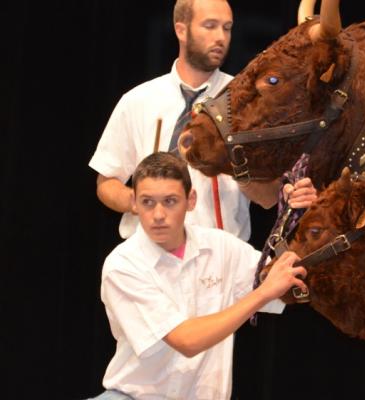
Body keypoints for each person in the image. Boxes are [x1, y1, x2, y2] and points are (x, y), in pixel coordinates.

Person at [89, 152, 308, 400]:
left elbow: (293, 282)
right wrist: (263, 293)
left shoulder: (221, 247)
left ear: (190, 200)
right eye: (148, 202)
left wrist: (306, 212)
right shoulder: (123, 264)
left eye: (170, 201)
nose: (158, 214)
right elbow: (187, 340)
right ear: (134, 204)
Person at [89, 0, 251, 240]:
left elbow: (268, 197)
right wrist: (138, 202)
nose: (221, 37)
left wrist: (245, 171)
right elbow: (106, 181)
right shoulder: (139, 100)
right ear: (181, 30)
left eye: (227, 28)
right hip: (147, 258)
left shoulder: (245, 100)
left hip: (219, 260)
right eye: (210, 25)